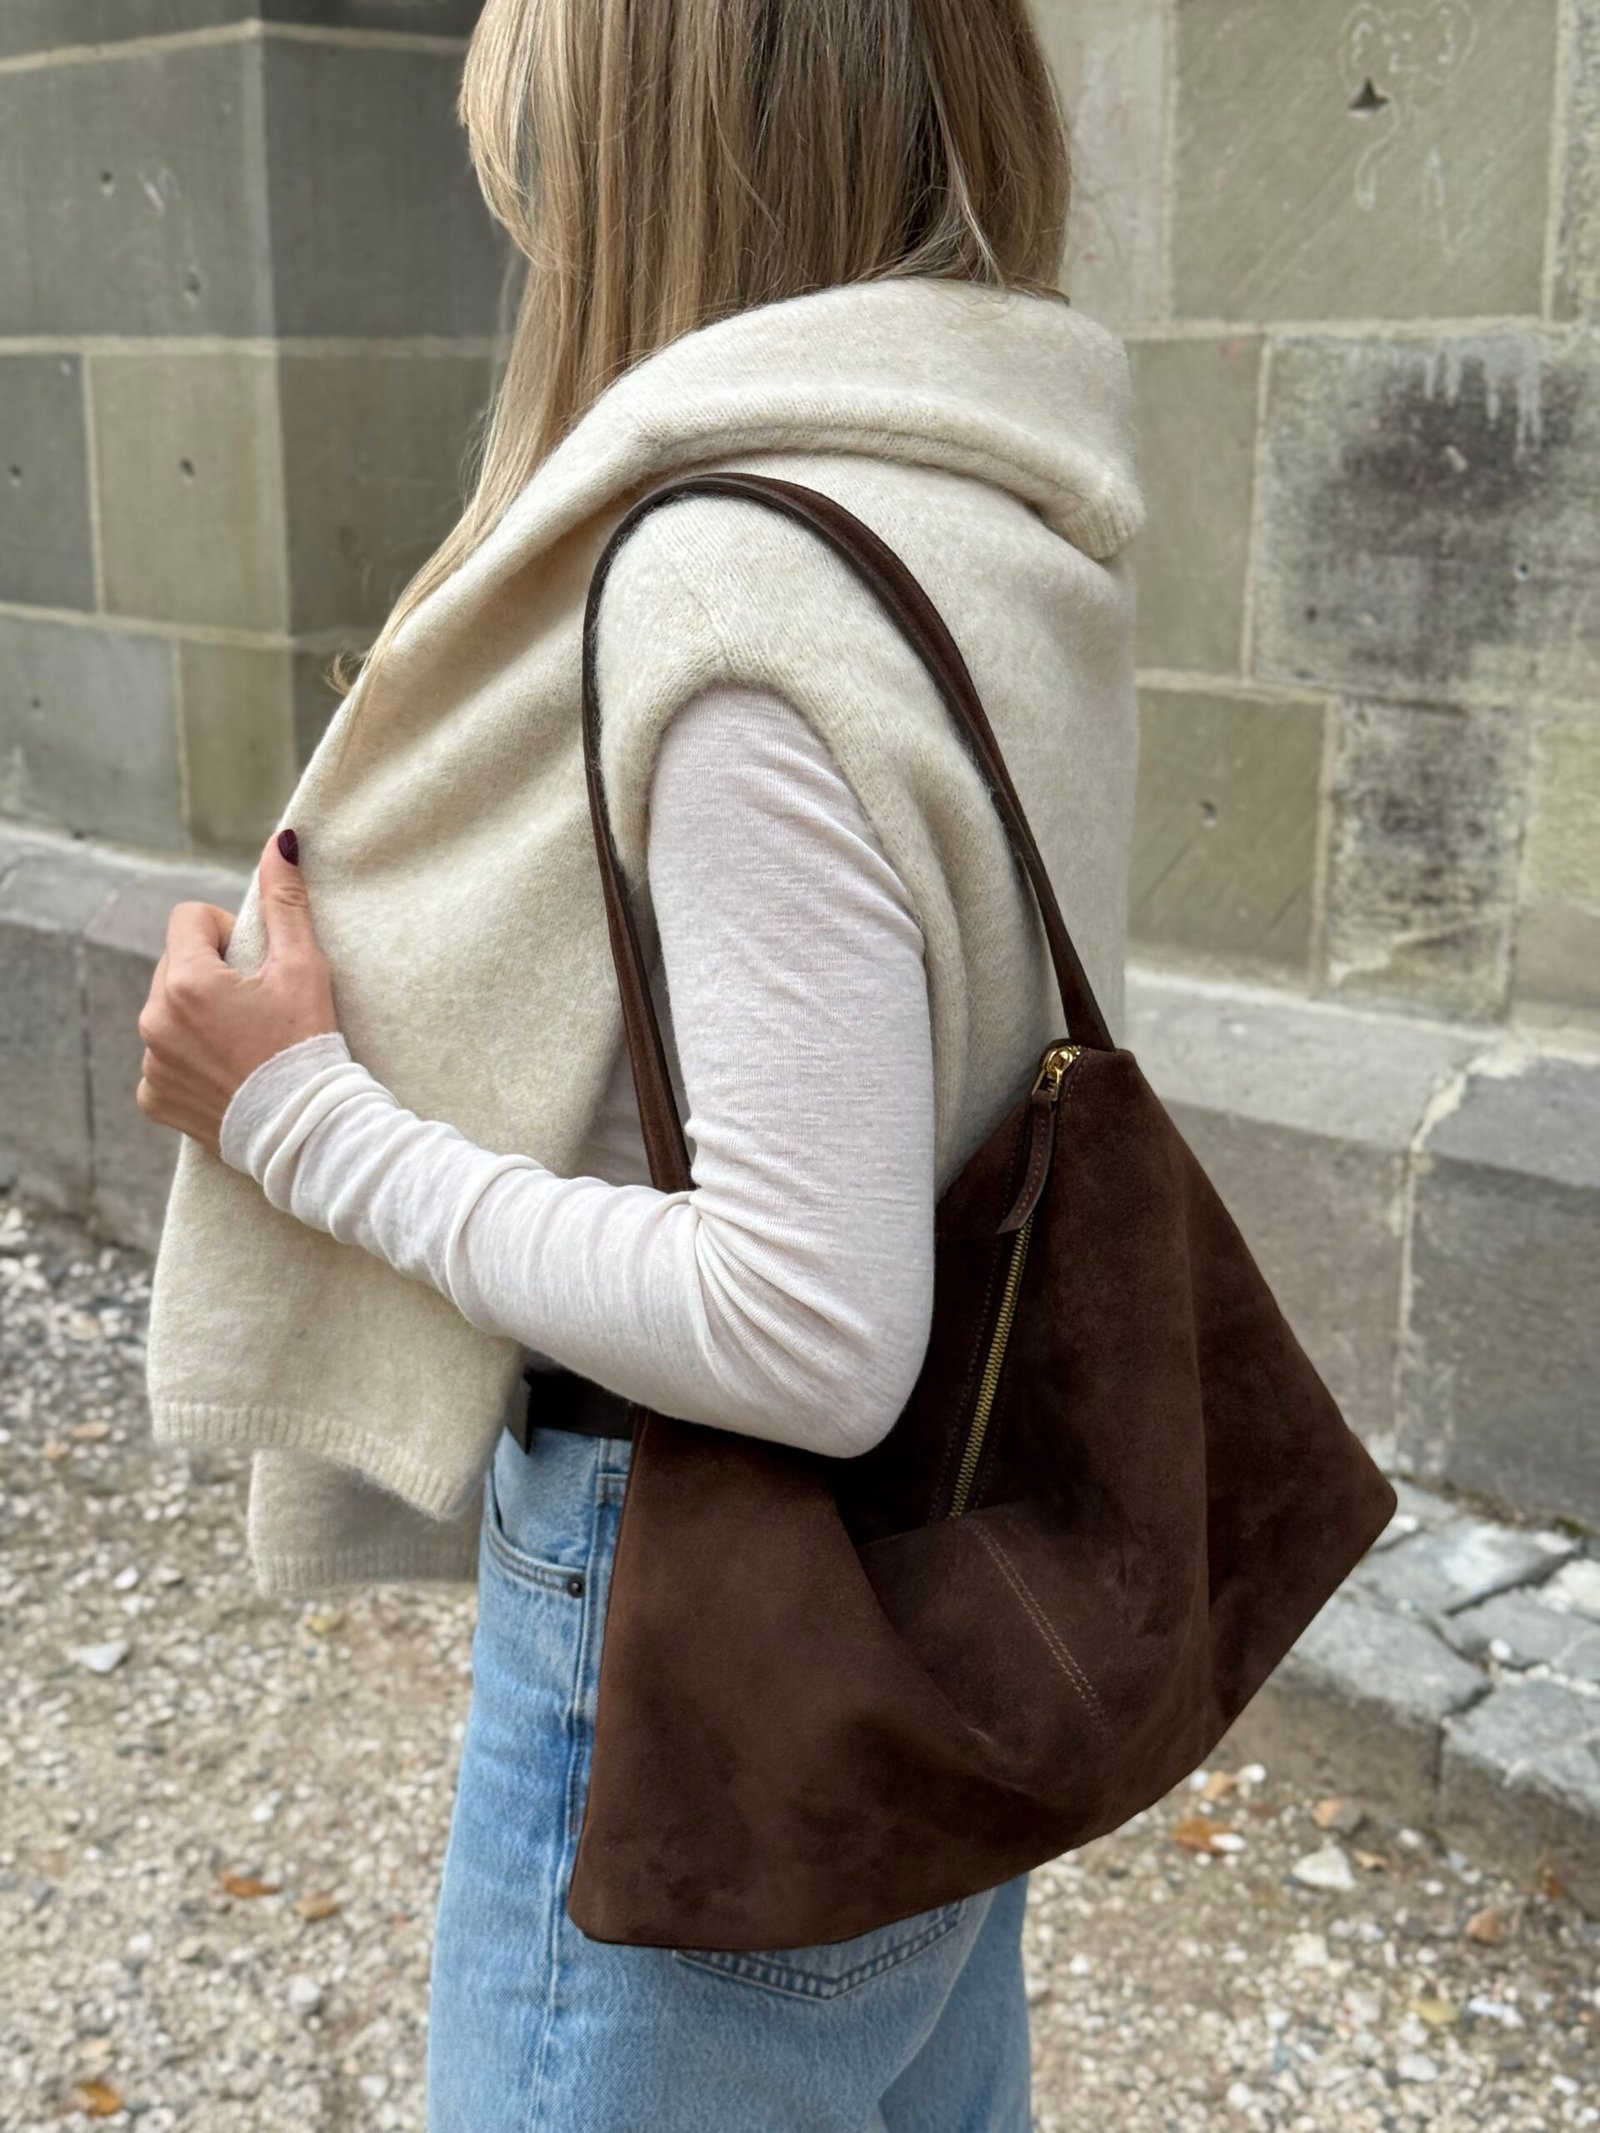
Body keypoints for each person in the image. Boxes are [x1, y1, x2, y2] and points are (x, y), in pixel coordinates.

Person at [135, 2, 1145, 2125]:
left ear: (636, 162)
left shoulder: (731, 581)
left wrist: (297, 1117)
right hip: (944, 1578)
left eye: (541, 156)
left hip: (710, 1622)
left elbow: (806, 1331)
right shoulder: (988, 500)